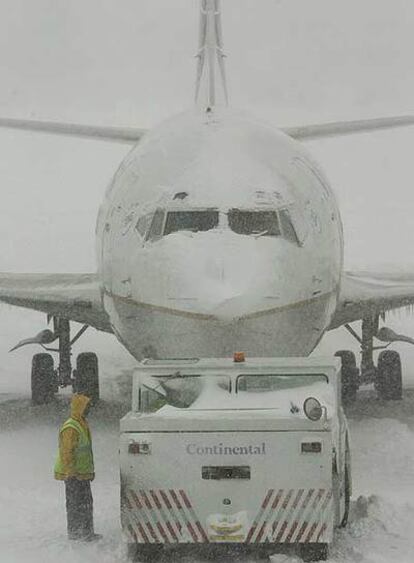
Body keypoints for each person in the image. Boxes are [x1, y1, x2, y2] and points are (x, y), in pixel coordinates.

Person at [54, 393, 101, 541]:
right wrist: (71, 472)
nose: (88, 410)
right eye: (86, 407)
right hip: (74, 475)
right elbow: (67, 452)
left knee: (85, 503)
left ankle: (86, 532)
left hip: (81, 474)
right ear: (80, 408)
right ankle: (76, 533)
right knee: (76, 504)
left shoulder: (81, 423)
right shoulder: (71, 427)